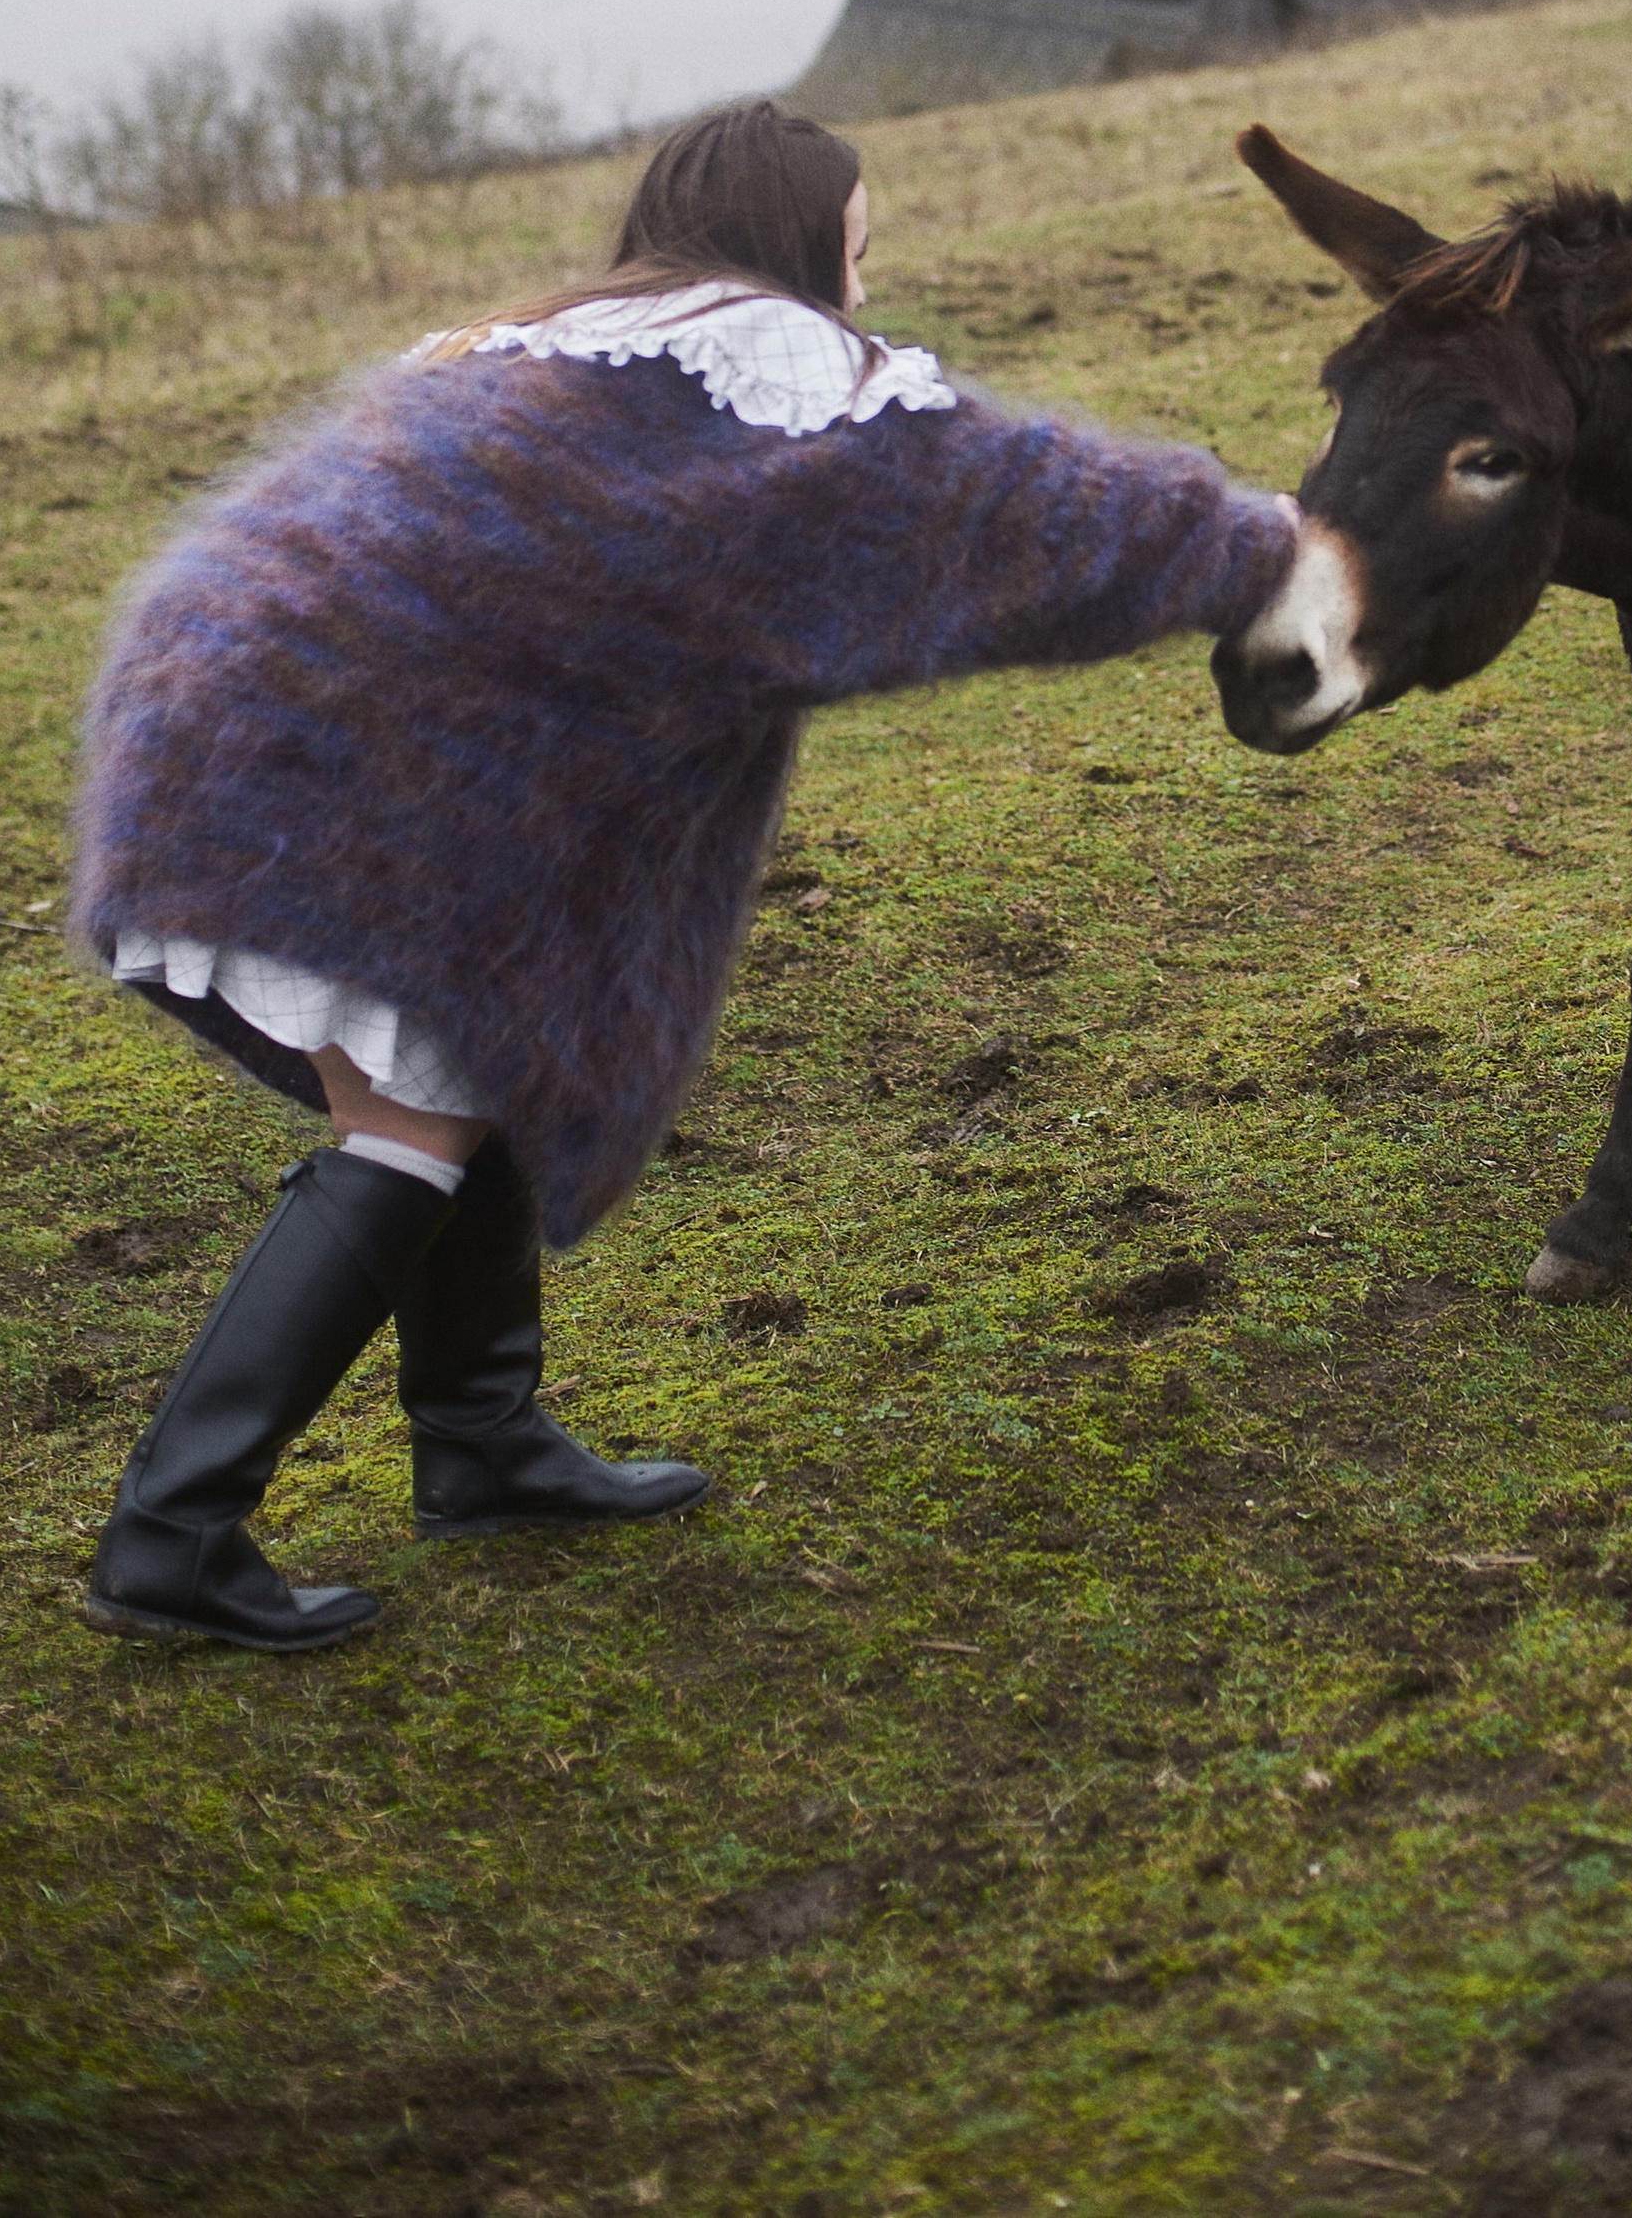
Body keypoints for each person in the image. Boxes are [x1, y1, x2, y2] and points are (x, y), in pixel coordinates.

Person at [70, 100, 1299, 1654]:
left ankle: (481, 1442)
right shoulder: (766, 361)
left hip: (235, 702)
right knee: (411, 1118)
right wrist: (1260, 542)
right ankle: (173, 1534)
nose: (860, 293)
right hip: (324, 756)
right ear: (796, 248)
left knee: (483, 1047)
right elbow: (1001, 500)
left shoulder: (564, 343)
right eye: (852, 255)